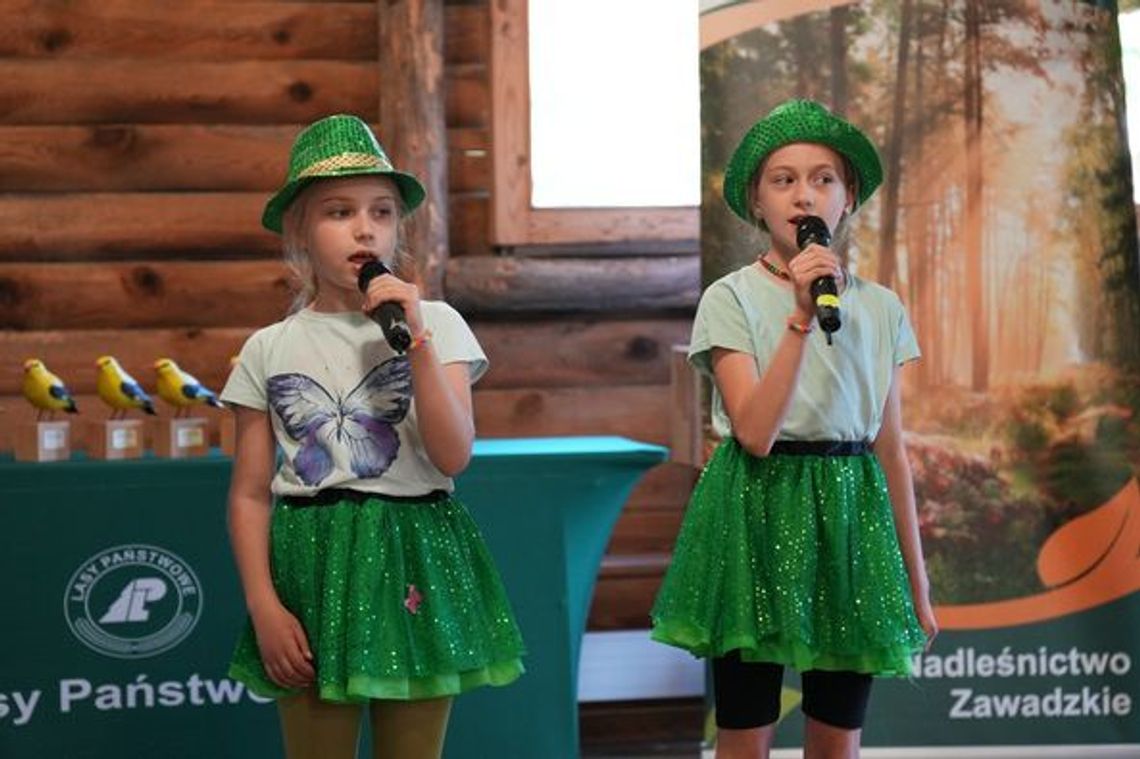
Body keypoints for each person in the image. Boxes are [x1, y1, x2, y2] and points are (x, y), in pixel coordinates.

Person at [223, 114, 525, 759]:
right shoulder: (268, 347)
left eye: (382, 212)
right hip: (313, 560)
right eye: (339, 212)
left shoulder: (435, 323)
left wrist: (414, 337)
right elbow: (250, 493)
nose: (365, 228)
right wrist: (263, 604)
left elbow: (453, 454)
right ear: (299, 230)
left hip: (413, 549)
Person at [650, 99, 938, 758]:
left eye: (822, 178)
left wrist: (915, 587)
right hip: (755, 512)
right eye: (783, 179)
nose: (803, 192)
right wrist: (800, 319)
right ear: (757, 203)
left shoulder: (882, 307)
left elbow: (891, 451)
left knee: (838, 737)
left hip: (848, 519)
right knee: (744, 734)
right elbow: (753, 430)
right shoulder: (730, 298)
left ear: (848, 198)